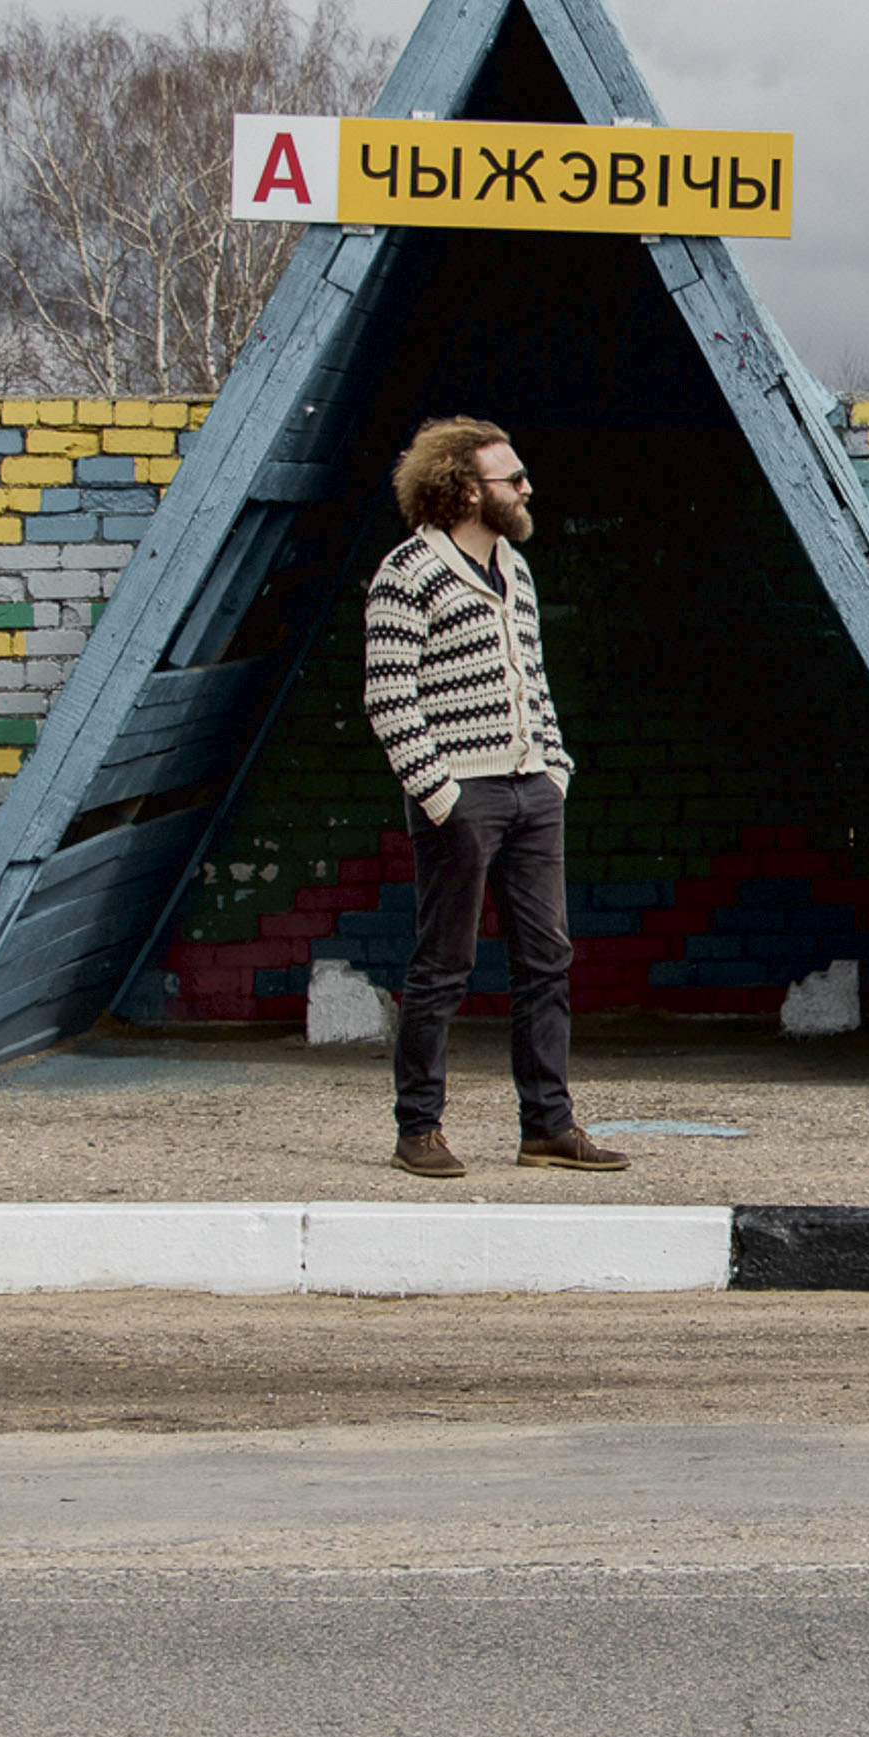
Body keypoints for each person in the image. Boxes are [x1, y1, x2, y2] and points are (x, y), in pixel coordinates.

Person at [362, 415, 626, 1178]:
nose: (526, 486)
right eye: (511, 478)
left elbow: (532, 679)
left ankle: (547, 1127)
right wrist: (441, 794)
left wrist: (554, 767)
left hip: (532, 789)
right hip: (460, 795)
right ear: (463, 487)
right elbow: (389, 698)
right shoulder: (409, 570)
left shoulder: (515, 567)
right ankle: (419, 1130)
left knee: (547, 960)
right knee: (443, 965)